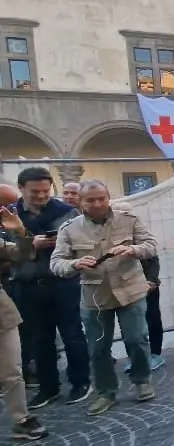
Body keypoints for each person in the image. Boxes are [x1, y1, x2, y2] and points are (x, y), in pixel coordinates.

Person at [49, 181, 159, 416]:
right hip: (95, 297)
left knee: (136, 339)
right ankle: (106, 392)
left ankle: (142, 380)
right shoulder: (69, 229)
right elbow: (56, 263)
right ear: (80, 201)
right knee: (98, 348)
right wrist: (74, 264)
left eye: (101, 198)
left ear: (109, 197)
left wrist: (133, 250)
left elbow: (151, 245)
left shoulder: (129, 220)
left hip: (130, 290)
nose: (97, 203)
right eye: (90, 200)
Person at [9, 167, 91, 410]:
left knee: (73, 335)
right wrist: (29, 244)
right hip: (27, 285)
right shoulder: (9, 214)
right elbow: (5, 247)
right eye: (36, 191)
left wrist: (62, 244)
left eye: (46, 191)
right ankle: (48, 388)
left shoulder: (66, 212)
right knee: (39, 340)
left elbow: (85, 243)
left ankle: (81, 383)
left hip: (63, 283)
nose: (42, 196)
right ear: (21, 189)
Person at [0, 206, 48, 440]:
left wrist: (19, 232)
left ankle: (21, 419)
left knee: (12, 371)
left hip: (2, 314)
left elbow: (23, 255)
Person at [110, 201, 165, 374]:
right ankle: (135, 358)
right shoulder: (110, 237)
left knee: (152, 318)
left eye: (126, 213)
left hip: (148, 286)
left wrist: (151, 281)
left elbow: (153, 259)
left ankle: (155, 354)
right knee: (128, 325)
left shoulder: (140, 233)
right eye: (118, 213)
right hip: (124, 288)